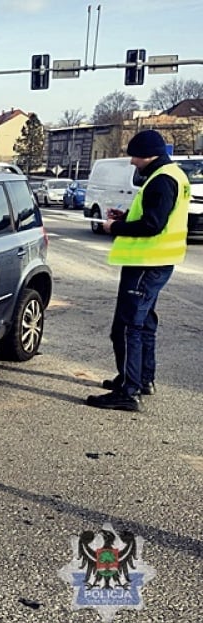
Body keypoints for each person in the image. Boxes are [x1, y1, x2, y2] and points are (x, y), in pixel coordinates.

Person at [86, 129, 190, 412]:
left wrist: (115, 227)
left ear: (148, 154)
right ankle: (142, 380)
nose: (132, 161)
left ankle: (128, 391)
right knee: (145, 324)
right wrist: (125, 218)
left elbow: (152, 225)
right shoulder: (173, 175)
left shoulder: (161, 180)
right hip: (158, 262)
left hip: (147, 262)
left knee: (128, 326)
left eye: (135, 155)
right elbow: (154, 218)